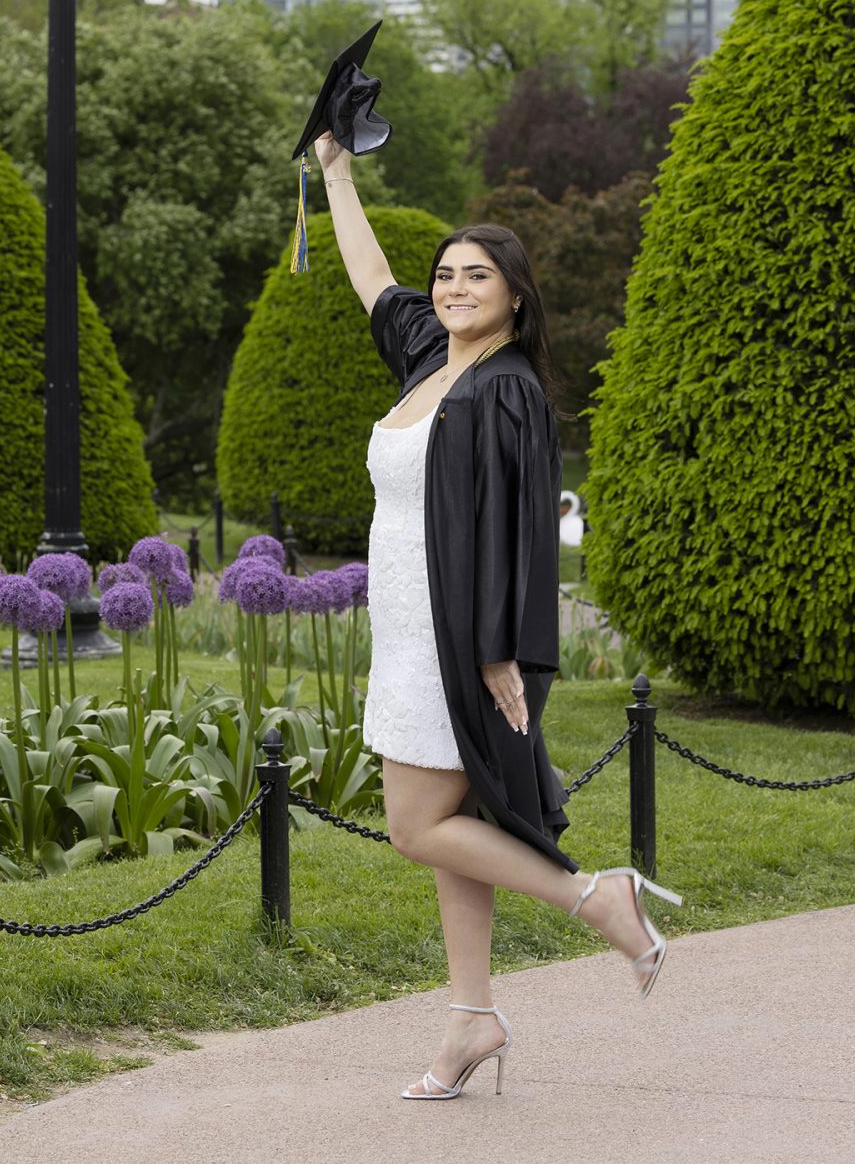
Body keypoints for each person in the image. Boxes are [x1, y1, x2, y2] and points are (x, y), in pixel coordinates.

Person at [315, 130, 683, 1102]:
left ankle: (592, 895)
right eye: (446, 273)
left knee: (412, 824)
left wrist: (496, 653)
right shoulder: (431, 355)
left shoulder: (507, 391)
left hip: (454, 643)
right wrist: (336, 175)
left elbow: (519, 535)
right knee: (448, 817)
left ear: (516, 294)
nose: (452, 286)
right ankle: (471, 1016)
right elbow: (371, 278)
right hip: (400, 632)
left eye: (476, 275)